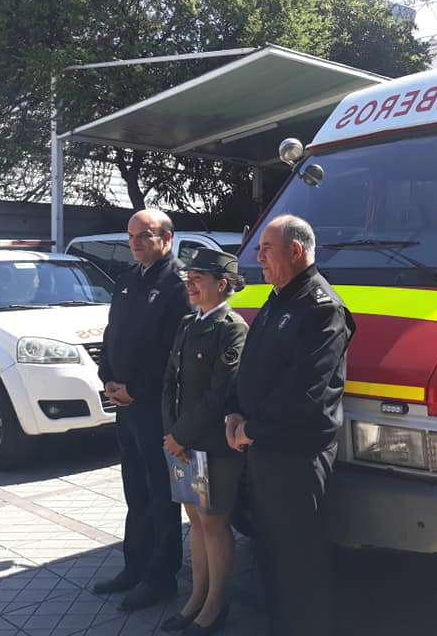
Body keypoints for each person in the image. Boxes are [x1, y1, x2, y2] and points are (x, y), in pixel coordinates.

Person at [226, 214, 355, 636]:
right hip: (263, 450)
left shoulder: (321, 308)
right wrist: (235, 412)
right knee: (271, 556)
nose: (258, 257)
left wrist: (253, 427)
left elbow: (306, 392)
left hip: (295, 456)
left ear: (295, 251)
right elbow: (254, 366)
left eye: (266, 249)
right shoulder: (278, 298)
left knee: (299, 565)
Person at [93, 209, 191, 610]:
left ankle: (160, 576)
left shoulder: (178, 284)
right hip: (126, 407)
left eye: (144, 235)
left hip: (155, 408)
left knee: (159, 493)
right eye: (131, 235)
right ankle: (134, 566)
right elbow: (112, 333)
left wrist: (137, 388)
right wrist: (108, 377)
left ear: (166, 238)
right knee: (135, 489)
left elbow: (174, 351)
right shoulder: (128, 281)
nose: (135, 242)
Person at [160, 249, 248, 635]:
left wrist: (180, 435)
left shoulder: (232, 328)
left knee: (213, 523)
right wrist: (171, 435)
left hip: (212, 444)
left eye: (199, 278)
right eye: (188, 277)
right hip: (181, 443)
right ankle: (196, 597)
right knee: (194, 520)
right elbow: (170, 385)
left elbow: (220, 395)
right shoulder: (186, 323)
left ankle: (215, 605)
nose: (190, 284)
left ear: (223, 284)